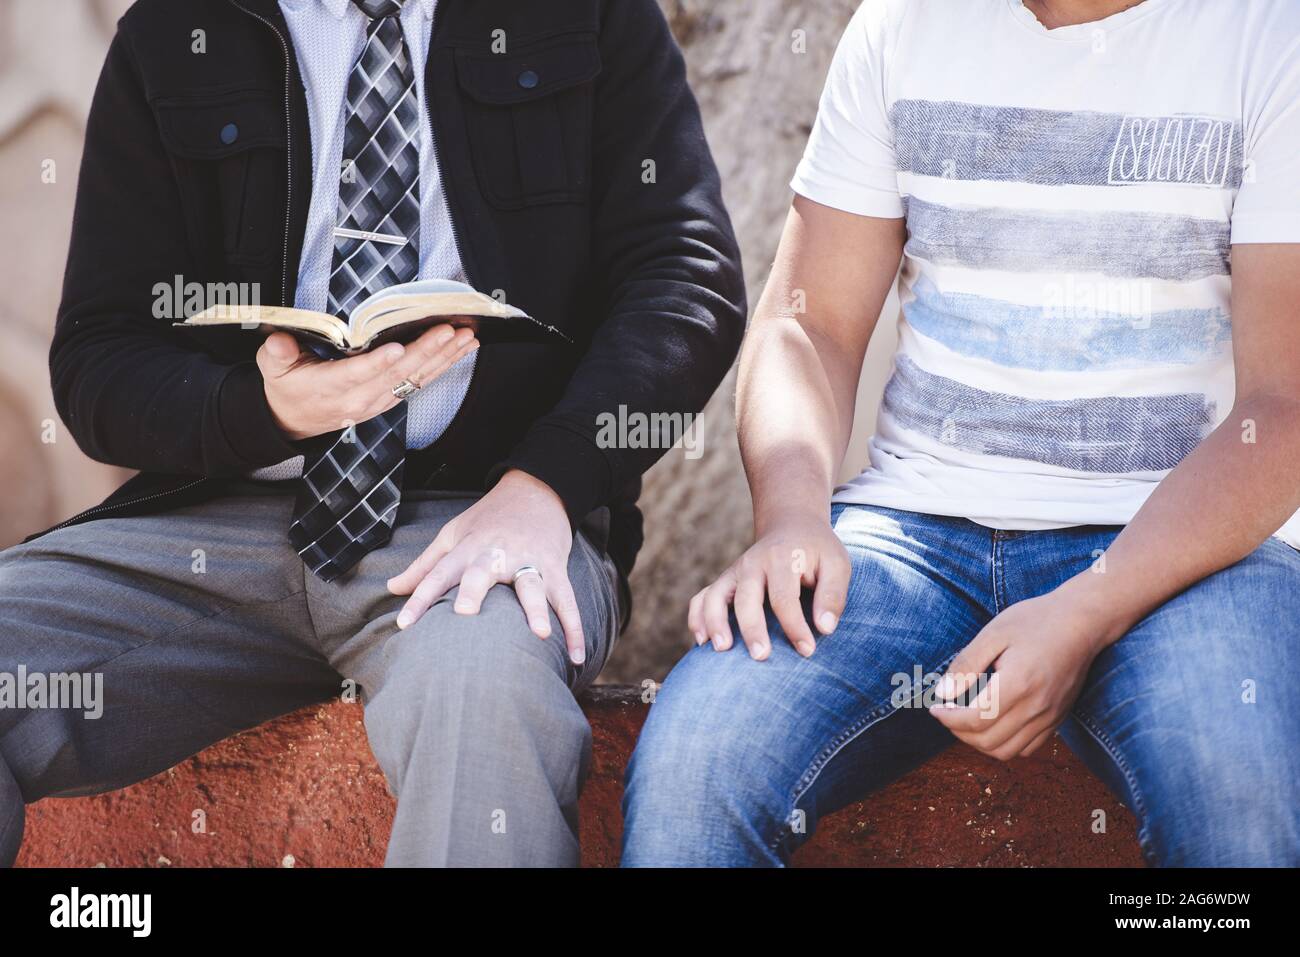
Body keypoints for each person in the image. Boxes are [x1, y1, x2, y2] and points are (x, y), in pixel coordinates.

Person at [0, 0, 743, 867]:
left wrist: (545, 489)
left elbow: (686, 277)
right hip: (218, 528)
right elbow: (99, 360)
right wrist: (269, 409)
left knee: (485, 699)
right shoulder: (175, 27)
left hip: (479, 521)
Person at [622, 0, 1300, 867]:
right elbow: (809, 325)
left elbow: (1280, 407)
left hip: (1183, 549)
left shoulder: (1267, 36)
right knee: (694, 764)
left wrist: (1087, 607)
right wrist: (792, 520)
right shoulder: (903, 25)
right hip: (914, 537)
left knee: (1237, 787)